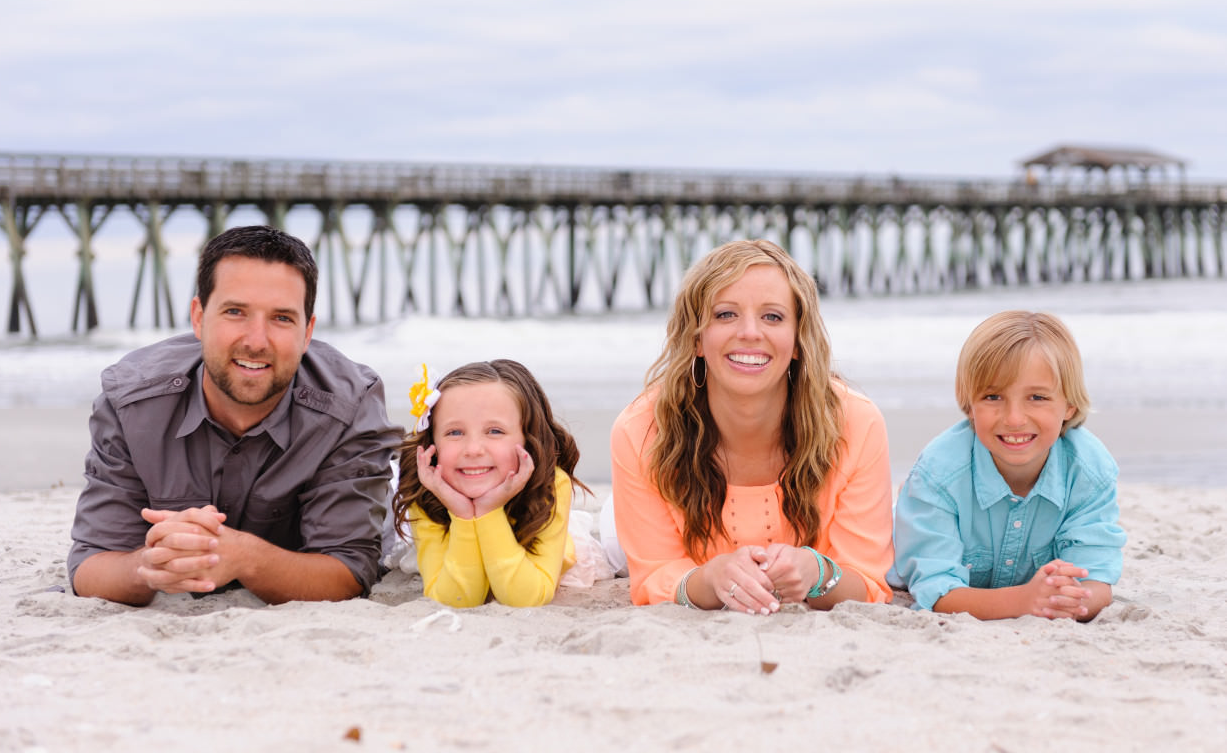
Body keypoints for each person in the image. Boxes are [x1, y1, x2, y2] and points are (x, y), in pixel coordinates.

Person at [67, 225, 400, 606]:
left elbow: (349, 572)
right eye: (235, 312)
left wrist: (243, 557)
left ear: (307, 332)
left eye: (282, 318)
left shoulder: (350, 405)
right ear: (198, 317)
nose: (256, 341)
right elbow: (89, 566)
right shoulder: (132, 401)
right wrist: (151, 565)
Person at [610, 240, 894, 614]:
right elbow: (653, 577)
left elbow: (869, 584)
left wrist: (816, 570)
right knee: (611, 549)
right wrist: (710, 579)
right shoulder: (641, 432)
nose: (749, 332)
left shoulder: (856, 424)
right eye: (725, 314)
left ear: (797, 342)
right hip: (638, 522)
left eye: (772, 317)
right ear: (697, 337)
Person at [888, 311, 1125, 621]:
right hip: (915, 566)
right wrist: (1024, 602)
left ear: (1069, 405)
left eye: (1037, 397)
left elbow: (1096, 580)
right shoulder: (939, 474)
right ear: (969, 403)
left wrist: (1068, 599)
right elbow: (938, 594)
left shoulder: (1088, 471)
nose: (1014, 418)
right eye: (993, 396)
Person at [392, 359, 590, 607]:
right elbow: (456, 599)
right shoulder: (426, 489)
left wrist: (489, 511)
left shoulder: (549, 485)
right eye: (455, 432)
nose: (473, 449)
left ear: (529, 439)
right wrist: (463, 514)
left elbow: (526, 598)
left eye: (495, 431)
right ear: (433, 442)